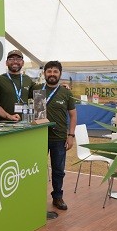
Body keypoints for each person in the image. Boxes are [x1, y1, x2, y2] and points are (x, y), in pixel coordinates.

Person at [33, 61, 76, 211]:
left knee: (58, 170)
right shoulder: (37, 89)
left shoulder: (66, 93)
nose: (52, 74)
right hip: (39, 137)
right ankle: (36, 197)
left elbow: (73, 115)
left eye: (55, 72)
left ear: (60, 74)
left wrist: (71, 135)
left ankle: (57, 197)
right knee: (36, 168)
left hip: (59, 139)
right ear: (44, 73)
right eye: (49, 71)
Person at [0, 50, 33, 120]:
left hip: (24, 123)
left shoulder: (27, 79)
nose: (15, 61)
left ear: (23, 63)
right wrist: (8, 116)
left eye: (18, 59)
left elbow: (40, 91)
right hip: (4, 123)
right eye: (11, 59)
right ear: (6, 62)